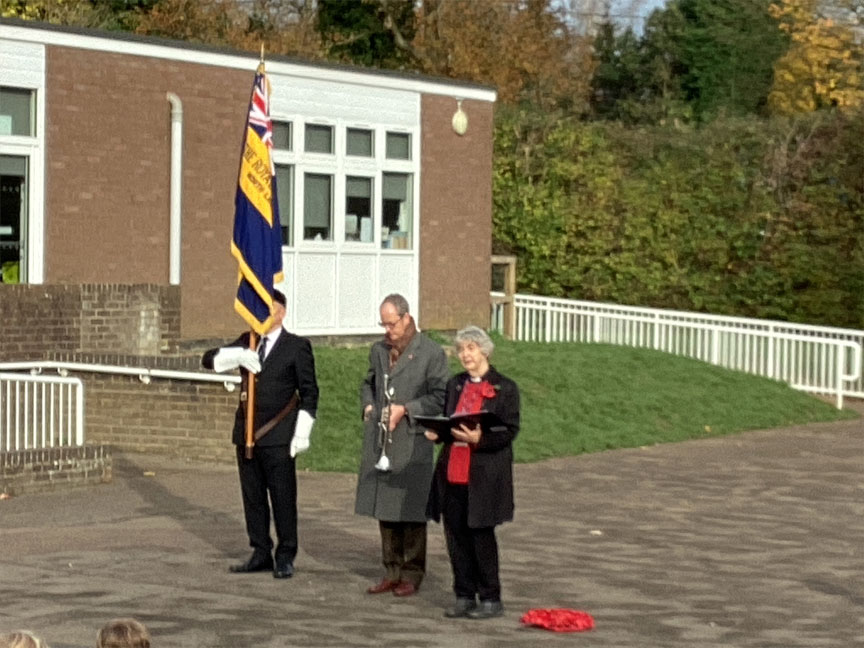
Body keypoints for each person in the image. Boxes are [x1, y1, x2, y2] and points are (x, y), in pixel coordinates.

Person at [202, 289, 319, 579]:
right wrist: (237, 355)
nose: (263, 315)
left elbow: (309, 392)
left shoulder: (296, 347)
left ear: (282, 312)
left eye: (269, 309)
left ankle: (286, 554)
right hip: (247, 434)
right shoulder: (248, 341)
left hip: (279, 435)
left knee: (282, 497)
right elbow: (208, 359)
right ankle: (260, 550)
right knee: (252, 497)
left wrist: (302, 431)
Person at [355, 293, 450, 597]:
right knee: (385, 507)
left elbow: (441, 396)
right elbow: (369, 383)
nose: (387, 330)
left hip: (413, 440)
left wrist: (407, 409)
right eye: (383, 324)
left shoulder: (431, 353)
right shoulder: (379, 351)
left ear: (407, 318)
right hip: (382, 440)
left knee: (411, 510)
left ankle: (412, 572)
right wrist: (369, 406)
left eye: (392, 324)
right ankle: (391, 570)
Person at [425, 325, 520, 620]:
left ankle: (491, 597)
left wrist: (481, 439)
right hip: (453, 471)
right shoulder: (455, 384)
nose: (464, 355)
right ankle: (464, 595)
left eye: (470, 348)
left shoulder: (505, 388)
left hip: (484, 476)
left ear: (484, 351)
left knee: (481, 537)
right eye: (460, 349)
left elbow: (509, 431)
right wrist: (437, 432)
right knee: (455, 536)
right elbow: (451, 422)